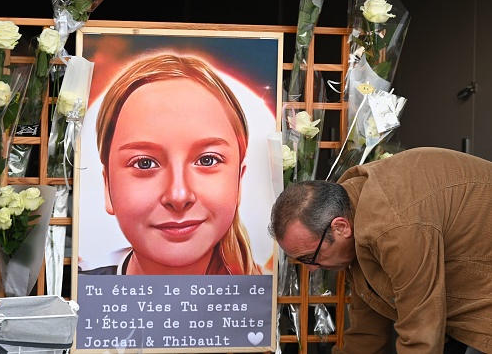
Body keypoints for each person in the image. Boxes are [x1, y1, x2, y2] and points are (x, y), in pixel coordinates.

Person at [268, 147, 492, 353]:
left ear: (340, 227)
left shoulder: (392, 225)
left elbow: (420, 334)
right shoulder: (355, 212)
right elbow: (367, 333)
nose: (312, 269)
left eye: (311, 258)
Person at [82, 54, 262, 276]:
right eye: (145, 163)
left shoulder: (262, 302)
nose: (178, 195)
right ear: (107, 185)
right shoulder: (84, 294)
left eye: (207, 160)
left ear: (239, 182)